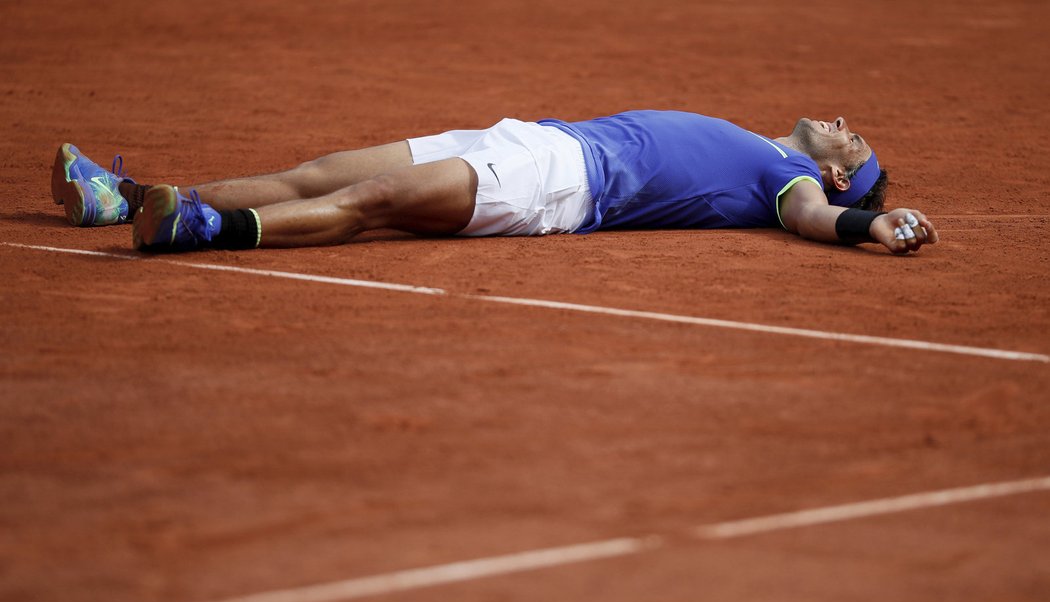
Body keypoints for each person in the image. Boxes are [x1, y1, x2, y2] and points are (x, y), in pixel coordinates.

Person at [49, 110, 938, 255]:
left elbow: (817, 219)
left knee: (375, 206)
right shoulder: (762, 143)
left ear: (832, 169)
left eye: (853, 142)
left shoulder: (790, 181)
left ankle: (202, 232)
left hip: (561, 183)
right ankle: (123, 201)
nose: (844, 122)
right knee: (320, 171)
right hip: (532, 136)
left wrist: (874, 224)